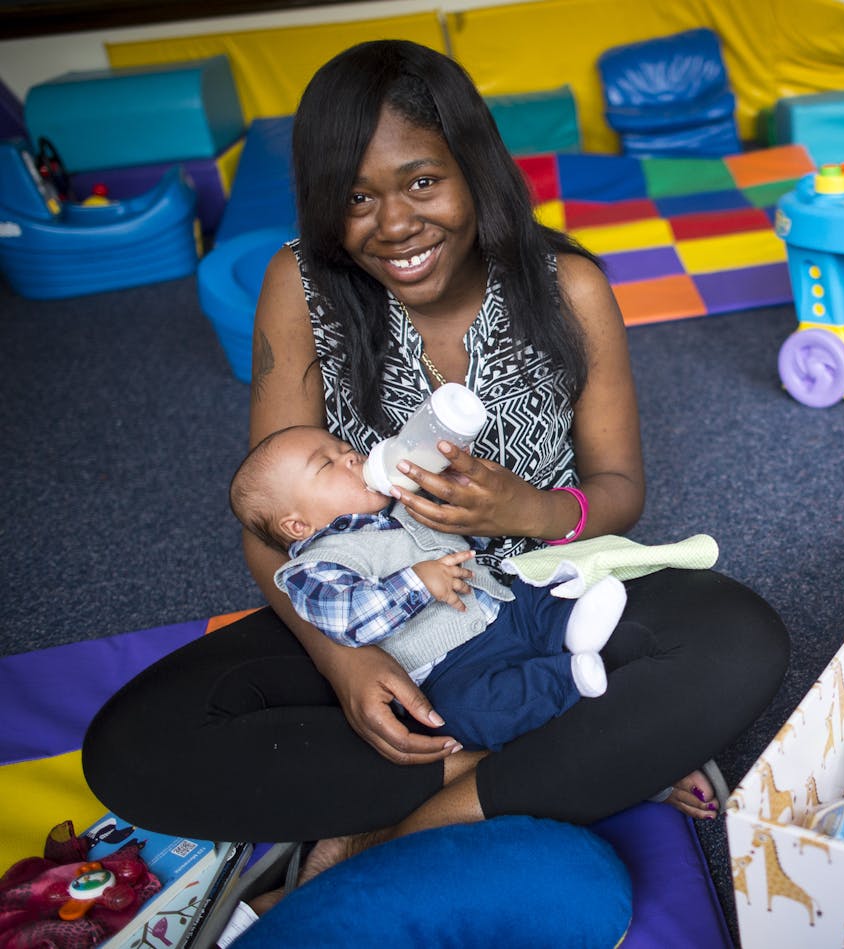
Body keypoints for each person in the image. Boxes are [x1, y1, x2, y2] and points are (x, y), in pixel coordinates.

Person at [82, 38, 789, 894]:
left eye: (422, 181)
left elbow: (620, 491)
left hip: (539, 600)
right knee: (131, 746)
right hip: (377, 616)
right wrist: (348, 667)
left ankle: (391, 837)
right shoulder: (300, 285)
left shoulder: (569, 290)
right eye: (356, 197)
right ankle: (560, 762)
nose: (395, 225)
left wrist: (521, 509)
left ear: (475, 168)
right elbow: (269, 530)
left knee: (737, 637)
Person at [229, 424, 629, 753]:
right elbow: (347, 619)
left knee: (537, 597)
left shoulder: (402, 504)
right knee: (468, 712)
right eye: (327, 464)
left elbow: (469, 540)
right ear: (297, 526)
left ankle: (577, 625)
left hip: (498, 607)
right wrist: (417, 582)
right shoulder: (315, 567)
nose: (351, 456)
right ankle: (564, 678)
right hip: (449, 666)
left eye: (345, 447)